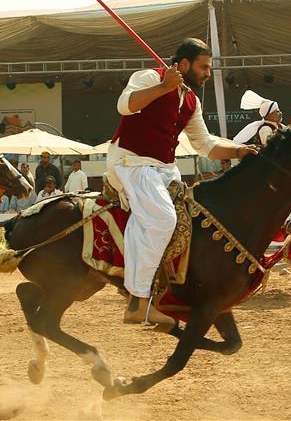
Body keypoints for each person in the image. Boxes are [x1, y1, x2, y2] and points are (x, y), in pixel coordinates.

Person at [108, 38, 257, 325]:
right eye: (203, 67)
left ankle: (171, 292)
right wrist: (163, 86)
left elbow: (205, 144)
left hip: (166, 170)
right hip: (132, 163)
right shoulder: (150, 77)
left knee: (194, 220)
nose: (207, 73)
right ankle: (138, 301)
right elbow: (124, 105)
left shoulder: (191, 100)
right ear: (185, 64)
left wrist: (239, 151)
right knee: (163, 220)